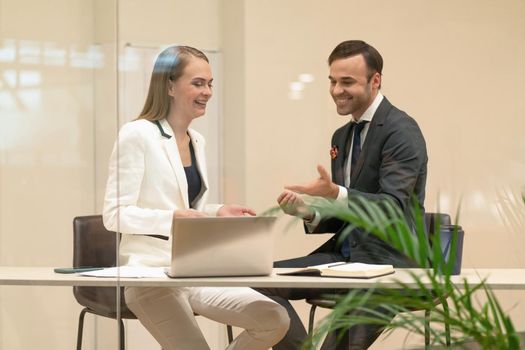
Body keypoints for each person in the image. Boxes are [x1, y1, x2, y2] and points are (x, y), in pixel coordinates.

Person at [103, 45, 289, 350]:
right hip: (151, 277)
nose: (207, 92)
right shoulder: (137, 134)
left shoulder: (197, 140)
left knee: (274, 319)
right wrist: (173, 219)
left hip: (196, 270)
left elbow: (190, 209)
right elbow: (115, 214)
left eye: (210, 84)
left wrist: (218, 213)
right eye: (198, 83)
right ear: (170, 86)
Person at [258, 40, 428, 349]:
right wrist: (310, 212)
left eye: (347, 81)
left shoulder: (401, 131)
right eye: (333, 81)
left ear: (375, 80)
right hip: (345, 258)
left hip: (388, 262)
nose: (337, 90)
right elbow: (347, 207)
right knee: (260, 284)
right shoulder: (343, 135)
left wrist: (335, 192)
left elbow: (390, 208)